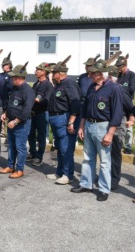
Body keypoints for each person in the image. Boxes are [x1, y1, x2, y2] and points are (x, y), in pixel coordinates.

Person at [71, 58, 123, 201]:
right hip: (89, 124)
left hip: (103, 126)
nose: (90, 75)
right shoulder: (91, 87)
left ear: (101, 74)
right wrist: (81, 126)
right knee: (88, 157)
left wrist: (110, 134)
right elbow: (85, 108)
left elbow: (117, 113)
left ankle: (104, 189)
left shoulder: (114, 88)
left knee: (105, 160)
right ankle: (86, 184)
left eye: (93, 73)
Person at [46, 56, 81, 185]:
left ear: (60, 74)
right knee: (60, 147)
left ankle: (68, 175)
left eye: (54, 73)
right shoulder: (59, 85)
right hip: (56, 118)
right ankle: (59, 172)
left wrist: (71, 120)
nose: (52, 76)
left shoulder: (69, 84)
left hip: (64, 118)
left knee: (66, 148)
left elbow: (75, 103)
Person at [0, 62, 35, 178]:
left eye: (13, 77)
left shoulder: (28, 90)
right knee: (11, 146)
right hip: (11, 122)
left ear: (19, 78)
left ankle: (19, 169)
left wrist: (16, 121)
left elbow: (27, 109)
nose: (11, 79)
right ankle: (10, 166)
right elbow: (11, 104)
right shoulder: (15, 88)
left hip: (21, 123)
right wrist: (5, 113)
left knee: (20, 147)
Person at [107, 65, 134, 190]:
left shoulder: (120, 90)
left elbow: (130, 108)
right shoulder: (104, 89)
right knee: (105, 152)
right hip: (105, 122)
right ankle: (105, 175)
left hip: (119, 122)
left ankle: (114, 179)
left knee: (115, 151)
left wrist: (131, 119)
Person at [27, 62, 54, 166]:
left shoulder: (48, 85)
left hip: (42, 113)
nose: (35, 71)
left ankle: (39, 157)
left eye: (38, 70)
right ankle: (33, 153)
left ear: (43, 72)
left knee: (41, 136)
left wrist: (37, 99)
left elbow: (47, 99)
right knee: (31, 135)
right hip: (33, 113)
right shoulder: (36, 83)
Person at [115, 54, 135, 154]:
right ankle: (119, 143)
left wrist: (119, 87)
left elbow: (132, 88)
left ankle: (128, 146)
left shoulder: (131, 75)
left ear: (124, 66)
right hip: (119, 103)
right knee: (120, 125)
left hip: (128, 103)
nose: (118, 69)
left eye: (119, 67)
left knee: (129, 126)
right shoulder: (118, 75)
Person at [0, 52, 13, 142]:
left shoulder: (12, 75)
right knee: (1, 116)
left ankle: (9, 135)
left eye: (5, 65)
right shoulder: (0, 75)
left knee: (10, 117)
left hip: (10, 98)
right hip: (1, 98)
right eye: (3, 65)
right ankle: (1, 131)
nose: (4, 67)